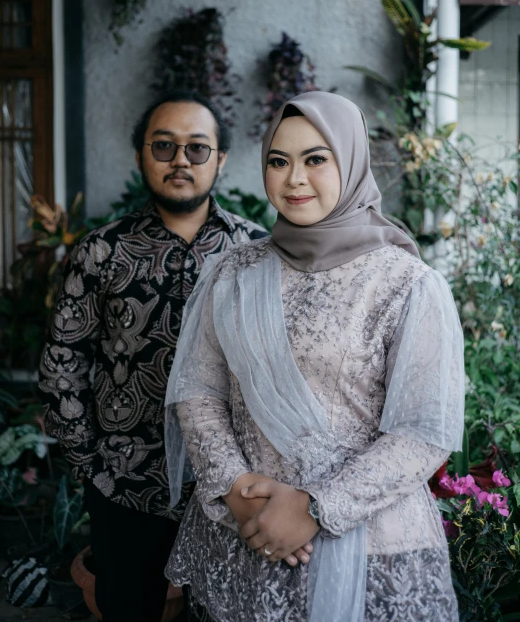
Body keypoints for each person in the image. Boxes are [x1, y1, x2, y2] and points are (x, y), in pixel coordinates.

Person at [164, 91, 464, 622]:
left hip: (372, 544)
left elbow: (423, 431)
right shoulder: (234, 272)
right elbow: (198, 388)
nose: (294, 179)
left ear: (350, 163)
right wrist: (236, 492)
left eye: (316, 159)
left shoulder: (407, 284)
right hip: (245, 535)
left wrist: (315, 509)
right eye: (279, 161)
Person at [39, 91, 268, 622]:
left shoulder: (256, 254)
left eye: (196, 148)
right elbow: (62, 364)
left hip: (229, 486)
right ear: (141, 154)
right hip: (124, 484)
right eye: (163, 146)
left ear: (221, 159)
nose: (180, 160)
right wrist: (91, 466)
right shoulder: (101, 251)